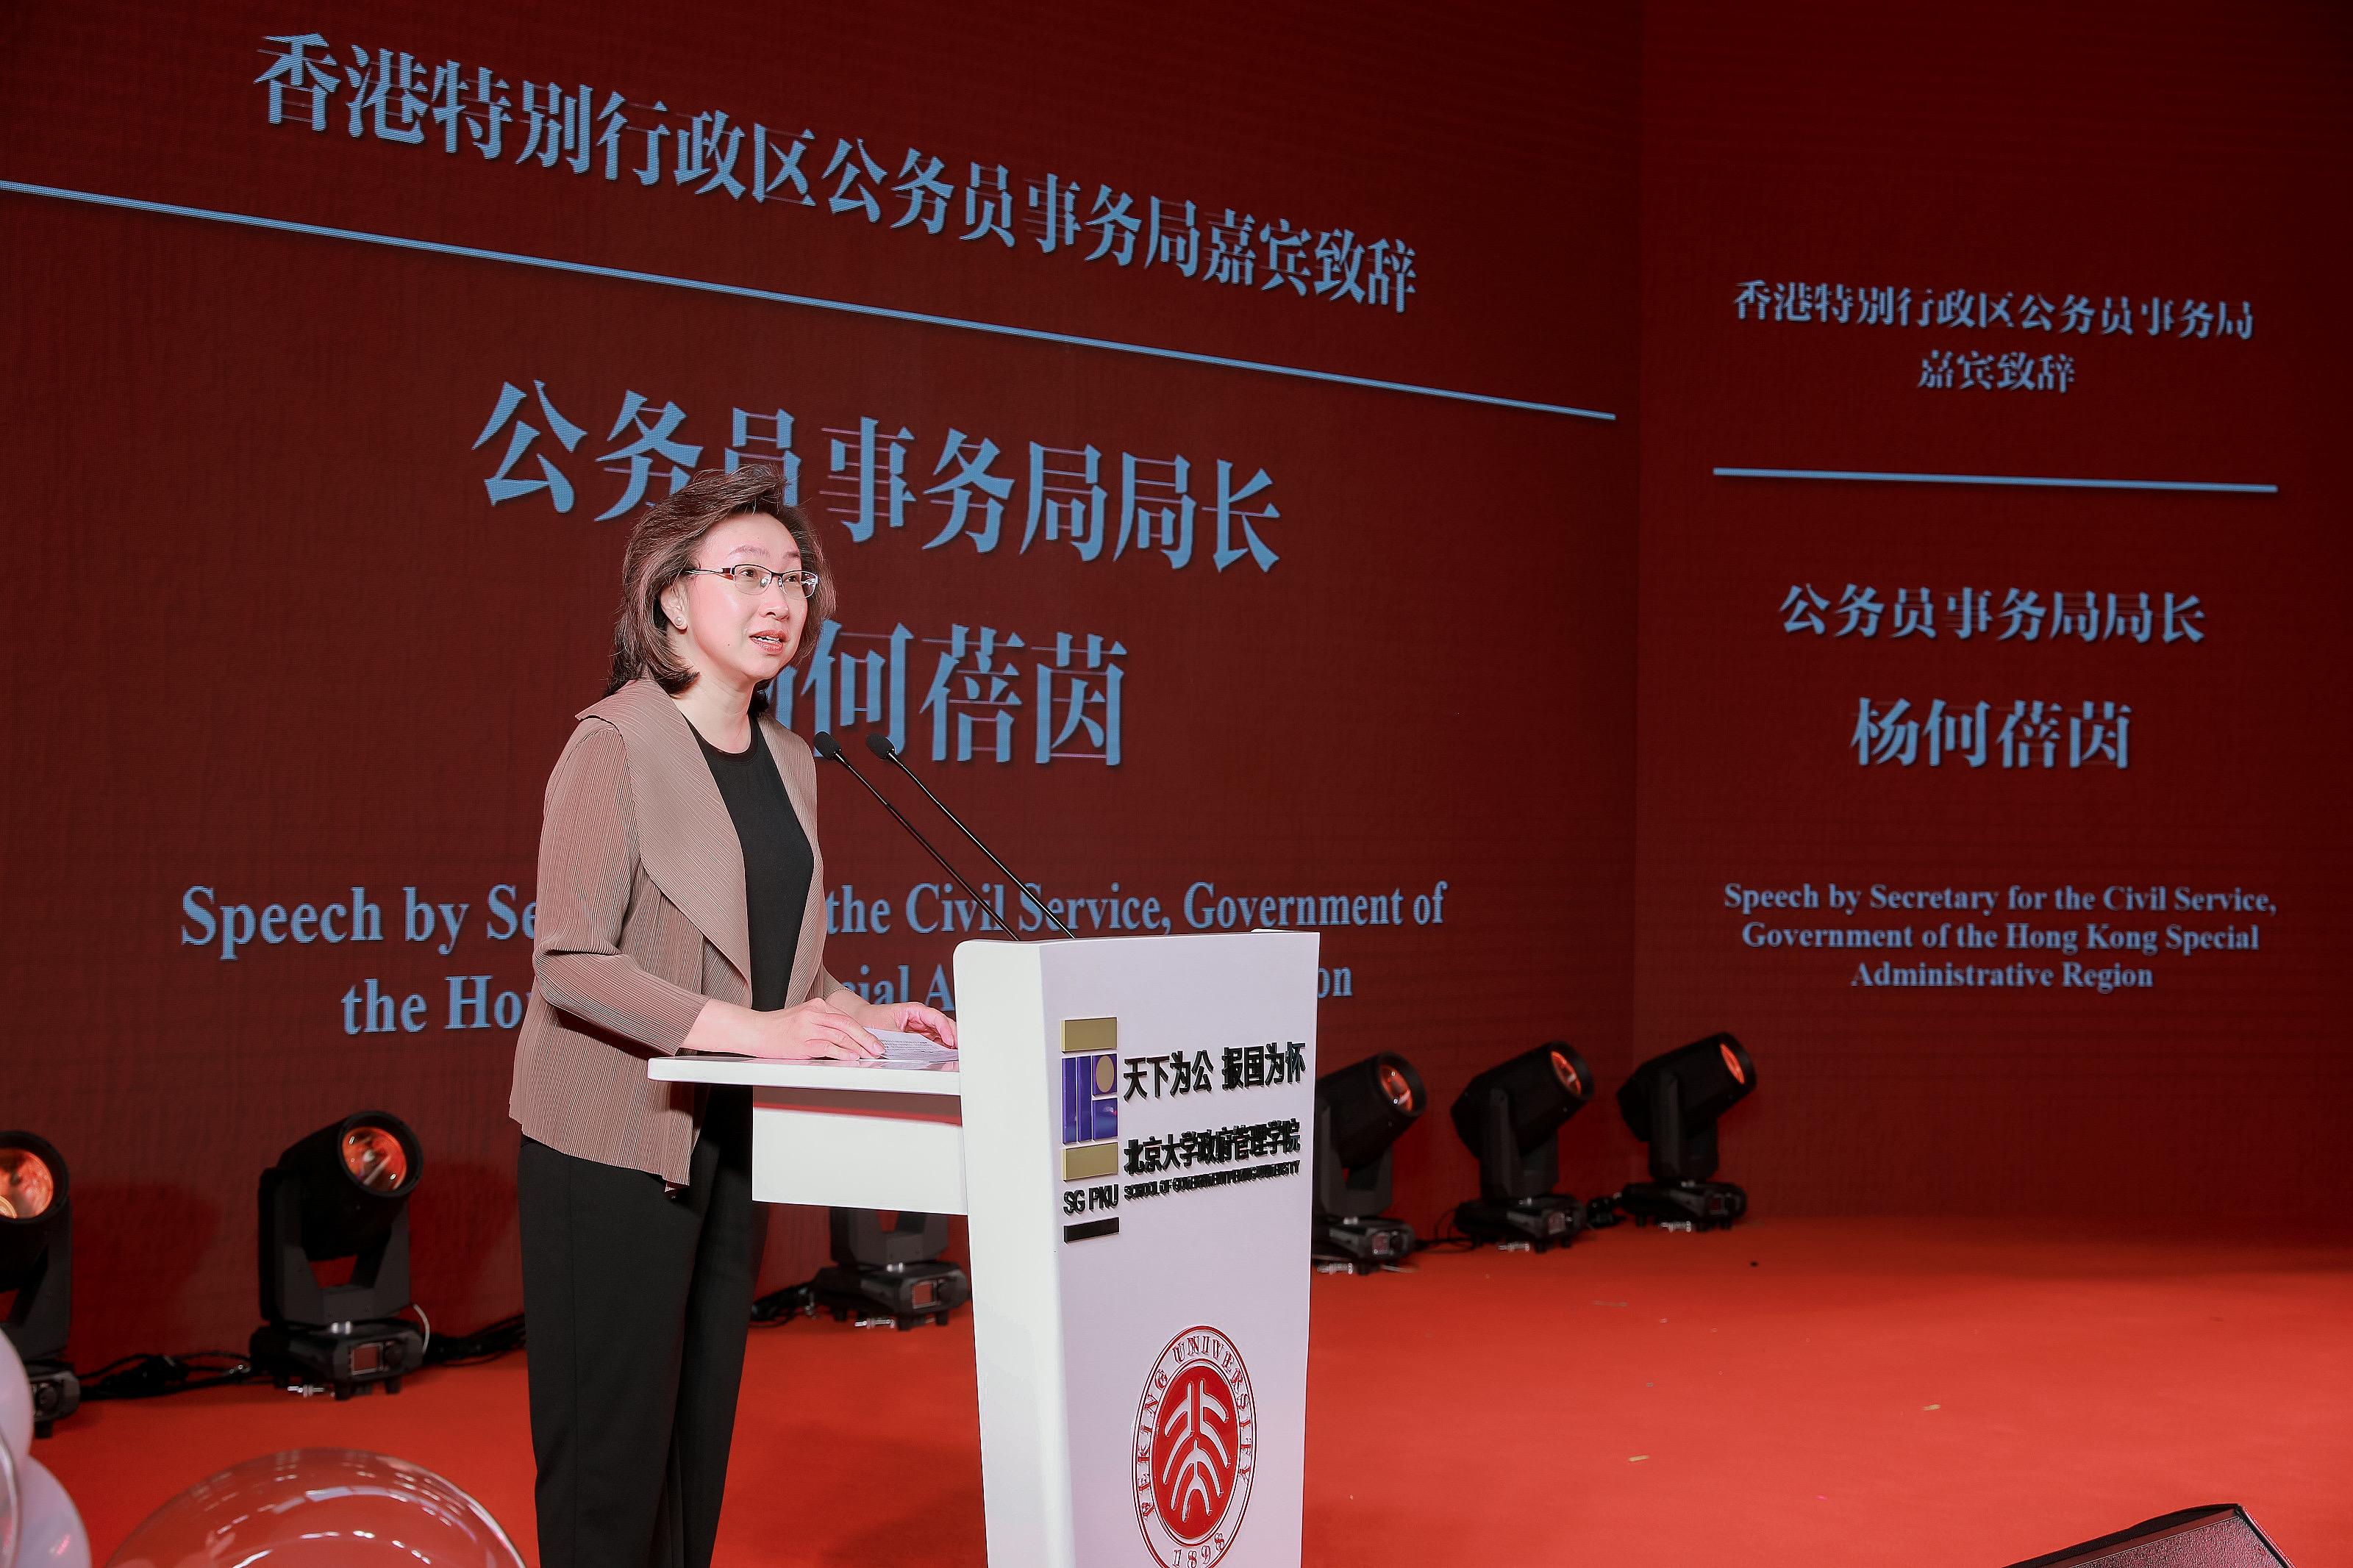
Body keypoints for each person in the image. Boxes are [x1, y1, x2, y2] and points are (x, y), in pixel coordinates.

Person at [507, 464, 957, 1568]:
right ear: (670, 598)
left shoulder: (792, 761)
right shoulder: (611, 744)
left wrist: (864, 1012)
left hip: (732, 1137)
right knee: (610, 1463)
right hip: (613, 1140)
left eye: (794, 579)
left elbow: (775, 968)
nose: (779, 602)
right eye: (746, 574)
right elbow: (571, 964)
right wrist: (754, 1031)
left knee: (695, 1437)